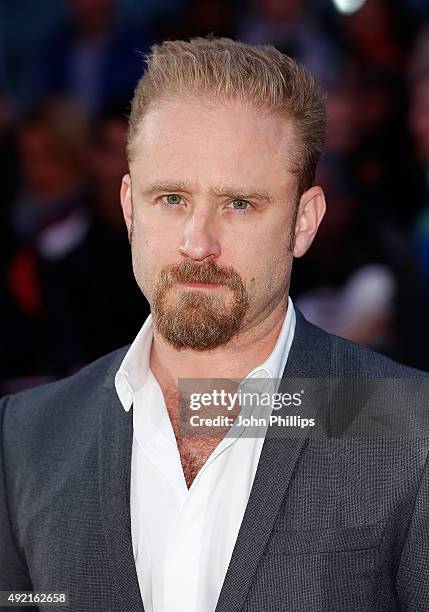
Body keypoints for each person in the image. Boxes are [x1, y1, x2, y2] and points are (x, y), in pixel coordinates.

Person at [1, 37, 428, 612]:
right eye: (171, 198)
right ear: (130, 206)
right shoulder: (25, 438)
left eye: (240, 204)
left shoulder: (407, 427)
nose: (196, 243)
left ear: (304, 222)